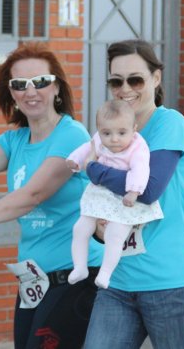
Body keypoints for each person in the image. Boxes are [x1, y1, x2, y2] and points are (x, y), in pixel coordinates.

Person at [0, 42, 103, 349]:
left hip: (75, 278)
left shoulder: (72, 134)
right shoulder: (15, 140)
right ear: (10, 93)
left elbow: (33, 194)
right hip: (34, 281)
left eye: (40, 82)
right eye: (19, 84)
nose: (30, 91)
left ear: (56, 88)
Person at [82, 39, 184, 349]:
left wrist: (94, 169)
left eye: (135, 79)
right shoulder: (110, 133)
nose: (125, 88)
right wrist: (100, 229)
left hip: (173, 286)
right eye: (116, 81)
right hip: (118, 281)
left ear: (155, 78)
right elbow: (101, 201)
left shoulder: (170, 123)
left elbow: (148, 189)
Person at [66, 99, 163, 289]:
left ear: (134, 129)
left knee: (114, 235)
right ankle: (79, 267)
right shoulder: (99, 140)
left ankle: (105, 273)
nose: (114, 139)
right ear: (99, 130)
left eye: (121, 132)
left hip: (124, 197)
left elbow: (140, 169)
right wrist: (75, 160)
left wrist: (133, 191)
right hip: (101, 194)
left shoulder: (138, 147)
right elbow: (88, 148)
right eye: (106, 133)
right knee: (80, 228)